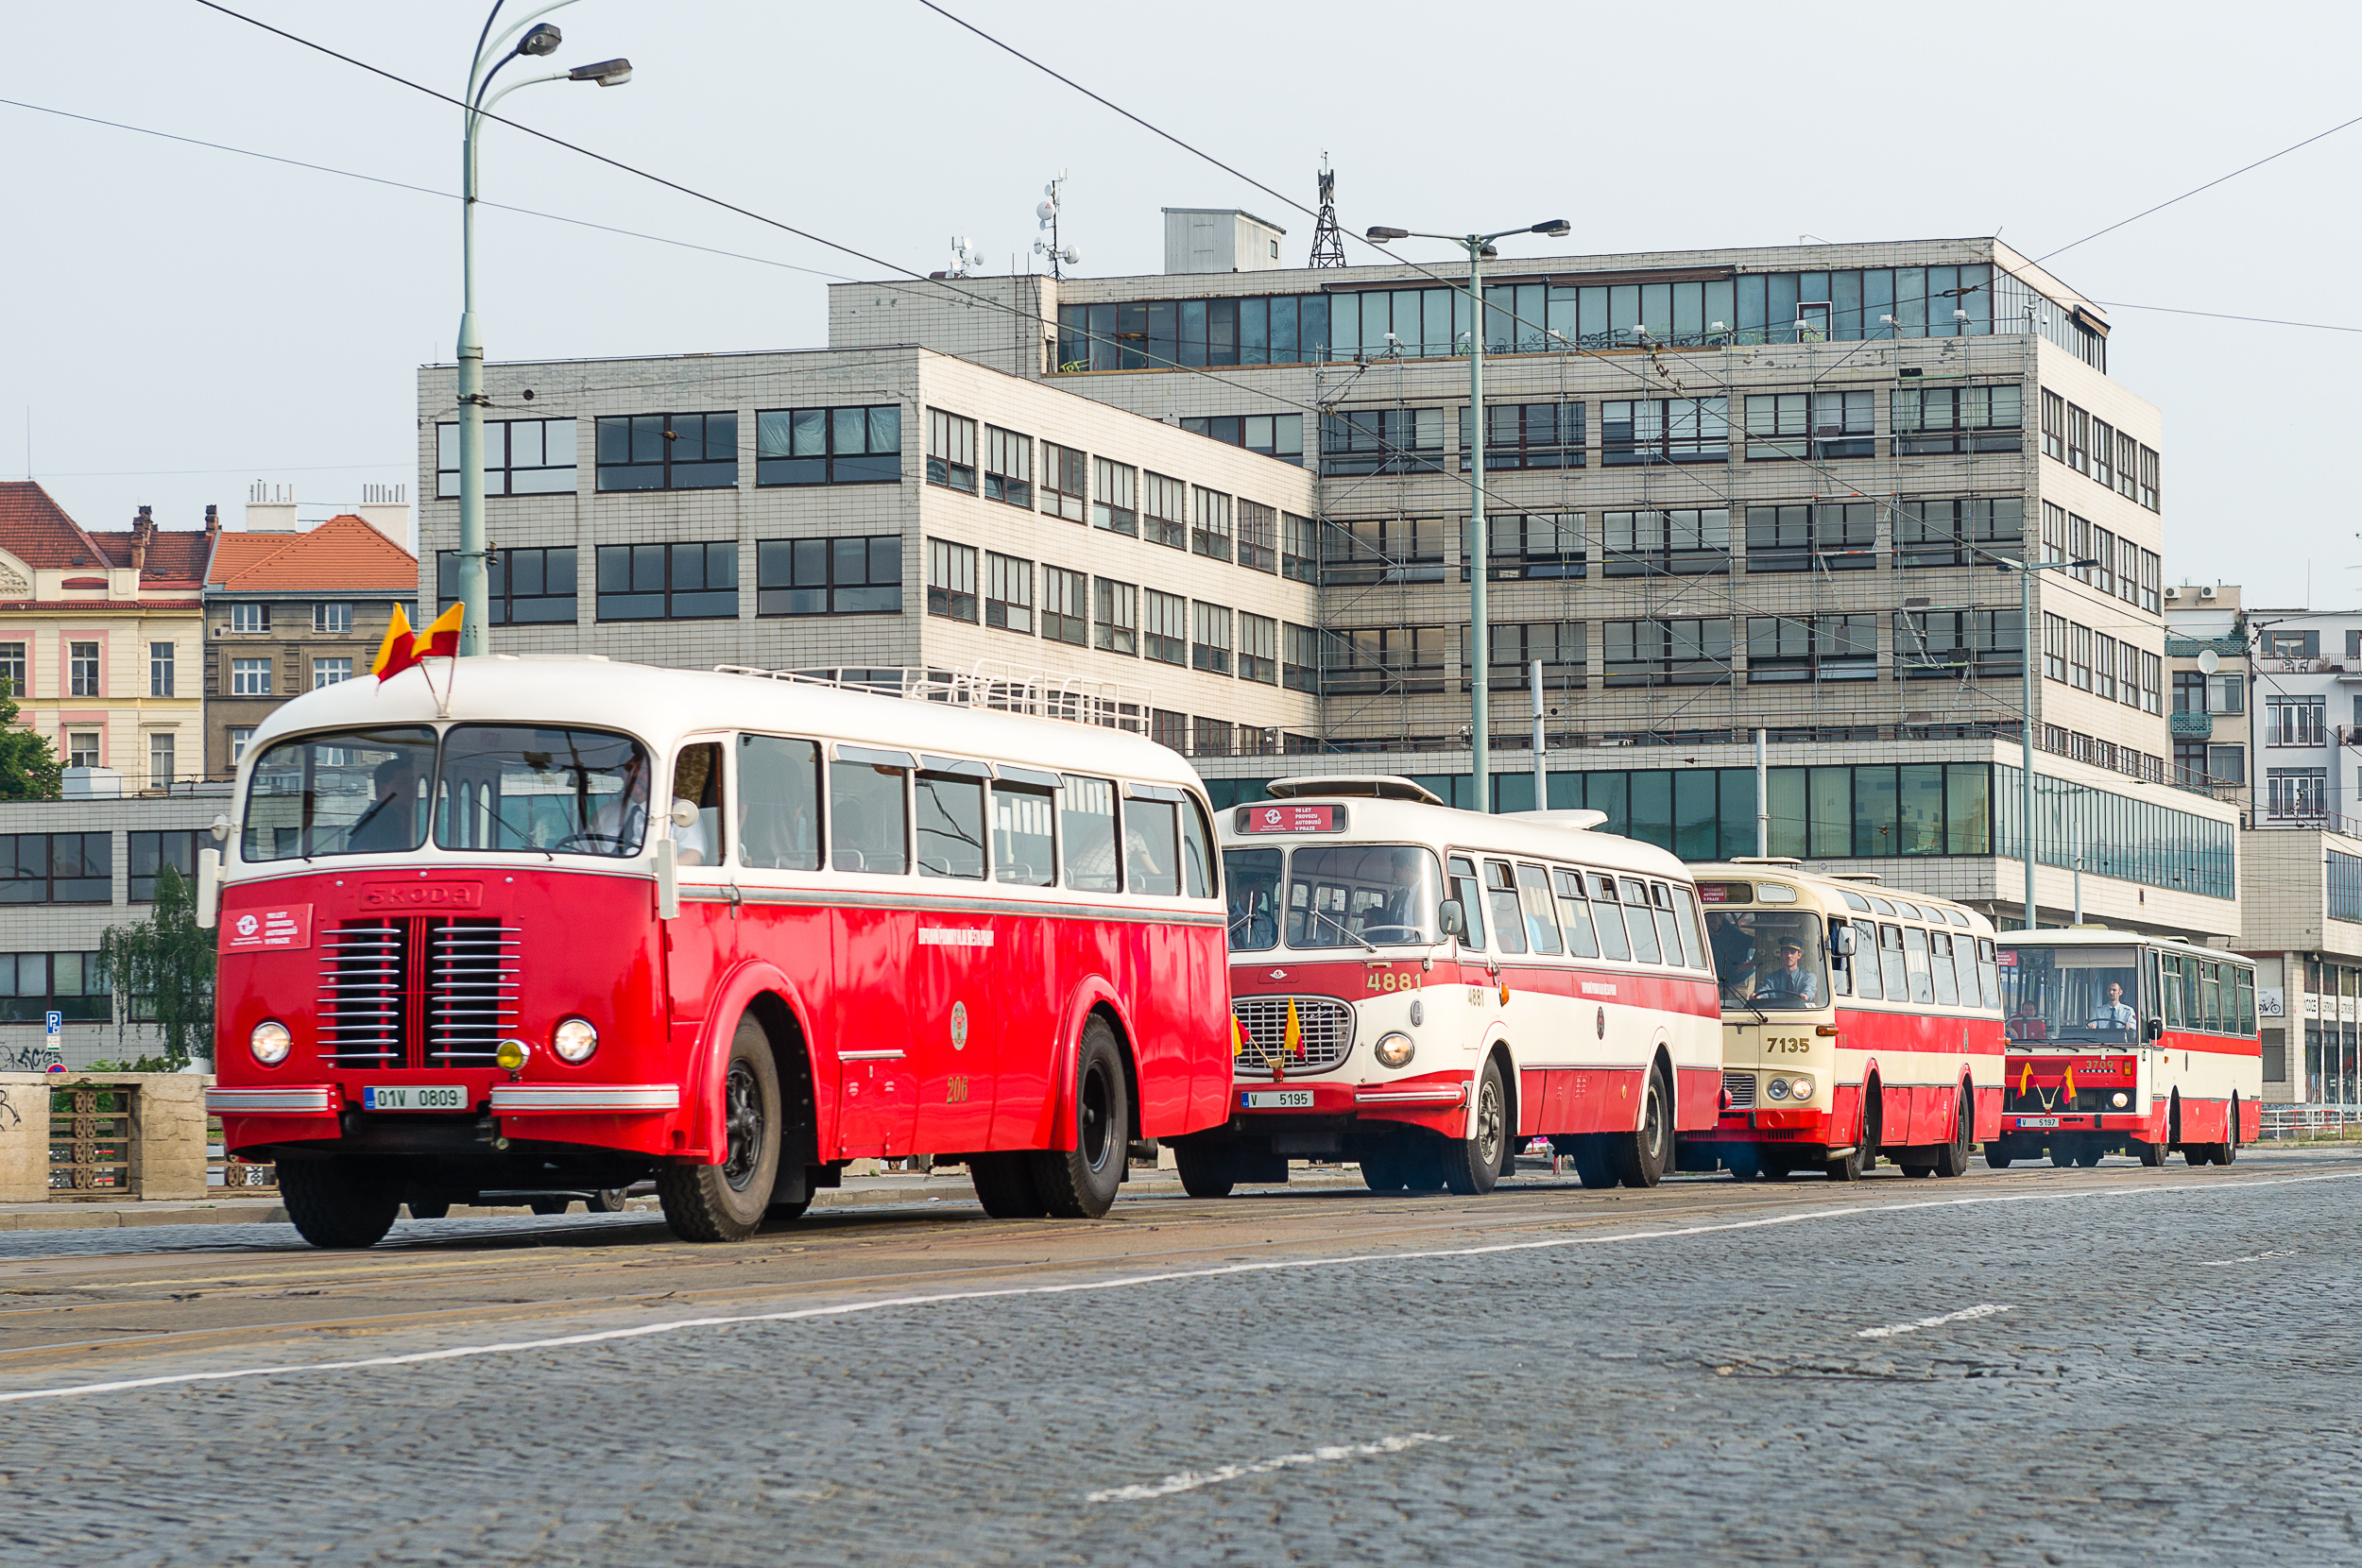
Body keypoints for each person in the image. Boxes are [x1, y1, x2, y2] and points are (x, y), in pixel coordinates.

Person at [345, 752, 422, 853]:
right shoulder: (382, 816)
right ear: (383, 789)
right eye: (403, 782)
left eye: (412, 782)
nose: (411, 788)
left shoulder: (394, 814)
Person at [1752, 938, 1822, 1007]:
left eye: (1792, 952)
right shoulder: (1772, 978)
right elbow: (1766, 990)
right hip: (1776, 1014)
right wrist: (1758, 996)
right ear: (1781, 954)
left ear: (1799, 955)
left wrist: (1805, 995)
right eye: (1786, 952)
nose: (1789, 956)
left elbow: (1809, 988)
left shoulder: (1809, 977)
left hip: (1801, 1014)